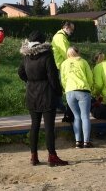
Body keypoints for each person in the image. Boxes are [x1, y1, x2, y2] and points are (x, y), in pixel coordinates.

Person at [18, 31, 68, 166]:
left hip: (31, 93)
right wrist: (58, 92)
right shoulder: (47, 55)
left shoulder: (26, 56)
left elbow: (21, 73)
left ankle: (33, 157)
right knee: (49, 127)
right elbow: (53, 77)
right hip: (47, 94)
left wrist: (30, 81)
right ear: (42, 42)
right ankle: (52, 156)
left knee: (34, 126)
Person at [60, 47, 94, 148]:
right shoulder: (83, 62)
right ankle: (86, 142)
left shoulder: (64, 64)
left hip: (70, 92)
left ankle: (78, 141)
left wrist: (66, 88)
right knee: (85, 116)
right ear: (78, 52)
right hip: (83, 90)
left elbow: (63, 79)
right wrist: (89, 86)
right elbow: (90, 77)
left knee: (76, 116)